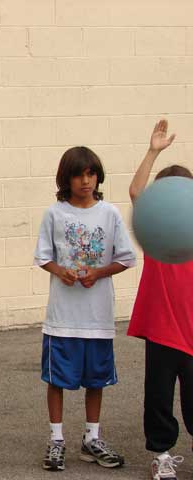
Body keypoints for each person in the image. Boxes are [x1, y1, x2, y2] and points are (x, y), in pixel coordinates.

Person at [34, 146, 136, 472]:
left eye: (91, 174)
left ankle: (92, 438)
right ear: (66, 178)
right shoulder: (54, 214)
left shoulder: (110, 214)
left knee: (96, 380)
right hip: (62, 318)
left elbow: (126, 258)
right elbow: (43, 256)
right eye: (78, 175)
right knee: (57, 379)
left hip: (97, 316)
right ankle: (56, 439)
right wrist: (59, 270)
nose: (86, 181)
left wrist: (99, 272)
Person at [128, 119, 193, 480]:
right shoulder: (157, 238)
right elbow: (137, 192)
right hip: (163, 333)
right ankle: (162, 454)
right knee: (158, 399)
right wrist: (152, 152)